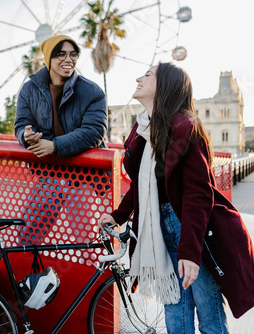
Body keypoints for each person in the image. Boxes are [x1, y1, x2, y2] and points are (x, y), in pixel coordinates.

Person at [98, 62, 254, 333]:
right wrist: (118, 216)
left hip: (191, 228)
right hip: (160, 226)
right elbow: (142, 185)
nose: (139, 78)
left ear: (166, 85)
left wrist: (191, 253)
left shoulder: (186, 127)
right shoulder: (144, 130)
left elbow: (198, 193)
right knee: (174, 309)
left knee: (209, 314)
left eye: (147, 75)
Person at [14, 34, 107, 158]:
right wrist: (26, 135)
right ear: (49, 59)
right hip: (46, 169)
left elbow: (94, 132)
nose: (68, 59)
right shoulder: (28, 90)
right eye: (61, 54)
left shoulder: (93, 91)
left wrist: (55, 146)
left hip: (87, 171)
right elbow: (21, 124)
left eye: (73, 54)